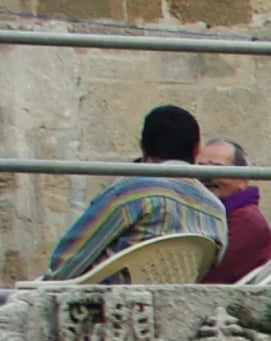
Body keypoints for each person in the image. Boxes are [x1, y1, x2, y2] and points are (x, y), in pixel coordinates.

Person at [40, 105, 227, 280]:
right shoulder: (216, 210)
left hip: (103, 305)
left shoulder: (132, 192)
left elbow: (66, 263)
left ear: (143, 147)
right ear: (196, 150)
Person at [196, 138, 271, 285]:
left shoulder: (246, 222)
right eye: (200, 168)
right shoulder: (212, 214)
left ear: (242, 179)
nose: (206, 177)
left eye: (217, 168)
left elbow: (213, 279)